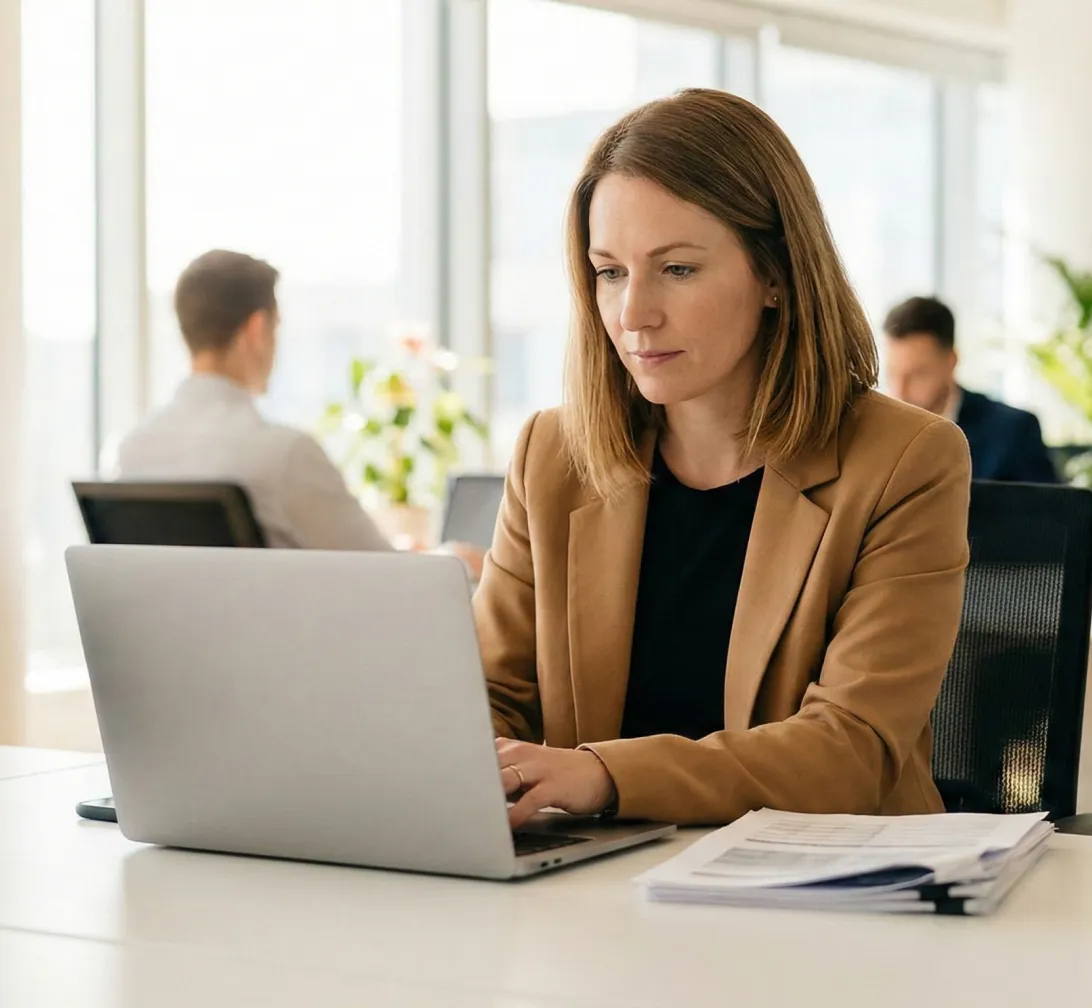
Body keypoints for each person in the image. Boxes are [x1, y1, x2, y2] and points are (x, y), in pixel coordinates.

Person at [475, 89, 971, 828]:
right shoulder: (552, 453)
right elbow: (487, 696)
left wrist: (606, 774)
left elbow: (850, 752)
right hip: (597, 890)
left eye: (676, 269)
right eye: (610, 271)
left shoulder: (907, 460)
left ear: (774, 274)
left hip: (823, 900)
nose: (633, 313)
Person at [117, 250, 483, 576]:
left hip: (178, 651)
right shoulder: (284, 455)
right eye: (276, 330)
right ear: (257, 329)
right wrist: (453, 559)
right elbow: (383, 572)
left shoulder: (131, 451)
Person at [883, 296, 1058, 483]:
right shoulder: (876, 436)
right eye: (892, 373)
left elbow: (1050, 511)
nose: (900, 391)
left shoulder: (1013, 432)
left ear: (951, 362)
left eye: (918, 374)